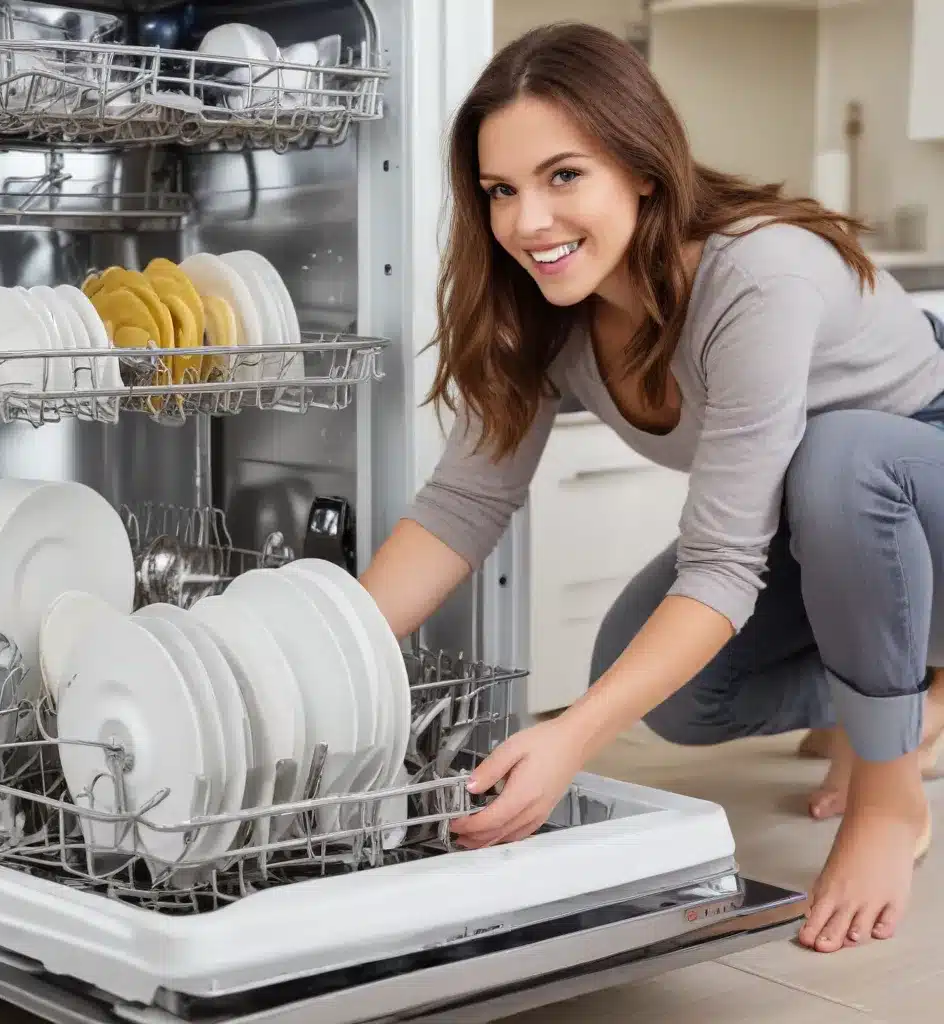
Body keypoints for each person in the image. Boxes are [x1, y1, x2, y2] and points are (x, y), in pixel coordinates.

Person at [359, 21, 944, 954]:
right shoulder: (546, 309)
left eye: (563, 176)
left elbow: (720, 564)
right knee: (666, 689)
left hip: (920, 479)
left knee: (843, 461)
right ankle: (915, 700)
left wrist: (571, 741)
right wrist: (323, 653)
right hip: (821, 522)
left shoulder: (757, 274)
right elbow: (460, 507)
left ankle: (890, 791)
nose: (527, 223)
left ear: (641, 166)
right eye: (500, 191)